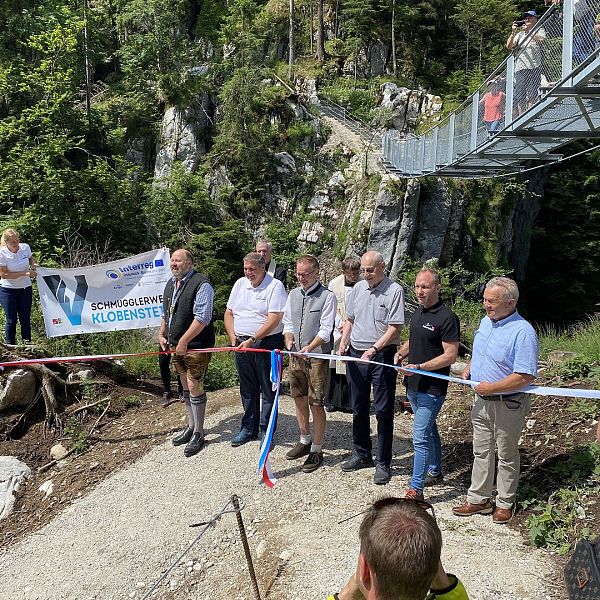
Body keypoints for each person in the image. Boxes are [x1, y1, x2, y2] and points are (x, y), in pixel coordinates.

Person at [453, 277, 538, 524]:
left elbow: (525, 376)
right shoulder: (486, 322)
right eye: (485, 300)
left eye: (491, 301)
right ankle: (478, 499)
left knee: (507, 453)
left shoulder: (523, 332)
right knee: (481, 451)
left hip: (507, 403)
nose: (486, 305)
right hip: (481, 400)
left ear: (510, 303)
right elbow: (483, 352)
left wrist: (492, 387)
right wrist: (471, 366)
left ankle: (504, 502)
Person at [339, 250, 405, 485]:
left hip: (381, 355)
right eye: (363, 270)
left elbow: (394, 328)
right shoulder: (357, 288)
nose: (365, 274)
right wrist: (344, 342)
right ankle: (361, 452)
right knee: (357, 406)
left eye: (370, 270)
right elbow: (350, 320)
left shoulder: (394, 290)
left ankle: (383, 462)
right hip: (357, 353)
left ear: (382, 267)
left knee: (383, 409)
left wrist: (374, 349)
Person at [394, 269, 460, 501]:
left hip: (432, 389)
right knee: (429, 430)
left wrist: (420, 367)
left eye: (425, 287)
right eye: (417, 286)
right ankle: (435, 470)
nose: (420, 291)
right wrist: (402, 352)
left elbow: (450, 355)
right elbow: (415, 339)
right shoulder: (419, 312)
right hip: (413, 385)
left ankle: (416, 489)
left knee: (419, 437)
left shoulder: (447, 317)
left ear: (437, 288)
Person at [329, 498, 469, 600]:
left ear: (365, 569)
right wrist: (432, 567)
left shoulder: (363, 575)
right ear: (434, 569)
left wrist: (347, 593)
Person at [225, 252, 287, 446]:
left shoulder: (275, 286)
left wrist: (253, 339)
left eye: (252, 269)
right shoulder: (239, 284)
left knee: (268, 389)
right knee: (248, 388)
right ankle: (248, 428)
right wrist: (232, 336)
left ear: (262, 268)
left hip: (265, 343)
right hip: (242, 344)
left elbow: (274, 318)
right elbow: (229, 312)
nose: (248, 273)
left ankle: (266, 431)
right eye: (245, 269)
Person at [282, 255, 337, 473]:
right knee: (298, 397)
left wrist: (310, 347)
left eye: (305, 274)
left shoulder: (327, 296)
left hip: (317, 357)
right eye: (298, 273)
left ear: (316, 273)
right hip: (296, 355)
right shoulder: (293, 294)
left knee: (316, 402)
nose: (301, 278)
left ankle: (317, 447)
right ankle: (304, 439)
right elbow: (287, 321)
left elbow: (326, 329)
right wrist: (288, 338)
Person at [159, 249, 215, 457]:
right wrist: (162, 333)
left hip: (196, 345)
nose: (174, 264)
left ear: (189, 263)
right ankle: (191, 426)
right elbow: (166, 312)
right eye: (172, 260)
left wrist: (184, 340)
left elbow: (203, 317)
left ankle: (199, 433)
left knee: (194, 385)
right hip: (176, 345)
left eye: (178, 261)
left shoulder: (202, 284)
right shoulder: (170, 284)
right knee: (184, 384)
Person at [325, 257, 361, 413]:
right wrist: (339, 323)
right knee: (335, 363)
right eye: (350, 273)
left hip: (357, 328)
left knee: (352, 364)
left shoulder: (364, 283)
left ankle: (350, 402)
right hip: (338, 327)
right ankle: (333, 400)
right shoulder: (335, 284)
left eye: (355, 273)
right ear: (343, 272)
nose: (353, 276)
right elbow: (330, 305)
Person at [0, 228, 37, 345]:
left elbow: (31, 258)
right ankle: (10, 346)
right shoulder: (2, 253)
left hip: (25, 288)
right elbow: (4, 275)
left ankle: (28, 345)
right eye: (13, 242)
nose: (16, 244)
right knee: (11, 320)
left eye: (17, 240)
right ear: (6, 242)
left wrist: (33, 265)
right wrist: (24, 273)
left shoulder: (25, 247)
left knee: (25, 319)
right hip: (8, 290)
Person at [507, 10, 546, 116]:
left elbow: (541, 39)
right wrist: (513, 32)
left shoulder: (539, 29)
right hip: (520, 67)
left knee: (532, 93)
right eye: (525, 18)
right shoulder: (519, 34)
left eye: (530, 17)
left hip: (534, 66)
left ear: (535, 19)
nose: (527, 19)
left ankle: (529, 115)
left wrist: (529, 31)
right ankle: (521, 116)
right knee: (520, 94)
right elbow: (509, 46)